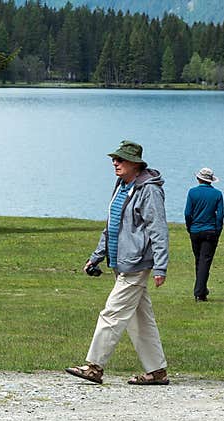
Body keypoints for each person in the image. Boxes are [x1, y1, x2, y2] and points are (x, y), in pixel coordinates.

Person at [65, 140, 170, 385]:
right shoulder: (123, 186)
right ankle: (157, 371)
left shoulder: (149, 190)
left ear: (135, 164)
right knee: (139, 318)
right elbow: (112, 226)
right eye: (114, 159)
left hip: (136, 264)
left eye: (120, 159)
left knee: (112, 313)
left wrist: (161, 266)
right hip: (121, 261)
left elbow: (158, 230)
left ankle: (94, 367)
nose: (115, 163)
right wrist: (97, 255)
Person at [184, 167, 224, 302]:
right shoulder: (217, 194)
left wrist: (189, 227)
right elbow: (220, 215)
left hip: (195, 230)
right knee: (205, 261)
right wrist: (218, 230)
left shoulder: (192, 193)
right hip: (210, 231)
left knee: (199, 260)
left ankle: (201, 289)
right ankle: (200, 291)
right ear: (211, 180)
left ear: (198, 178)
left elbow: (187, 213)